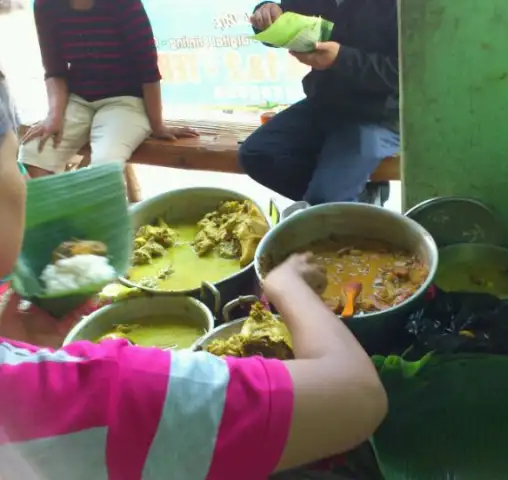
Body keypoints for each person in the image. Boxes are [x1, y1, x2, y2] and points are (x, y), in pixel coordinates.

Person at [0, 82, 388, 477]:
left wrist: (17, 345)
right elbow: (358, 397)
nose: (27, 182)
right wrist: (288, 286)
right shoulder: (103, 388)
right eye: (15, 161)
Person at [239, 0, 399, 205]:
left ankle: (338, 206)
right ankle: (359, 202)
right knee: (256, 154)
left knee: (325, 200)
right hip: (324, 101)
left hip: (379, 115)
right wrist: (268, 14)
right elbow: (288, 22)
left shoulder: (400, 7)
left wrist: (340, 58)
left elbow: (403, 72)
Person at [18, 0, 197, 179]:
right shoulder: (45, 5)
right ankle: (56, 207)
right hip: (78, 99)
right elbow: (54, 70)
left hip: (126, 100)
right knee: (33, 152)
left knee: (105, 168)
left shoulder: (124, 4)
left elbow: (148, 69)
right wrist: (54, 116)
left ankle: (88, 204)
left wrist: (157, 125)